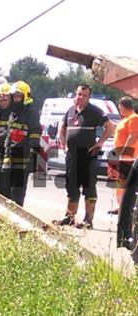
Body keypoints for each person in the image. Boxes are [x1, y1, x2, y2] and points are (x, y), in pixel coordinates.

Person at [53, 84, 116, 229]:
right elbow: (62, 126)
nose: (79, 97)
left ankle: (88, 220)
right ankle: (69, 218)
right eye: (78, 94)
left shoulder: (94, 111)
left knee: (89, 187)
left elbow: (110, 127)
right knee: (72, 186)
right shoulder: (70, 111)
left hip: (88, 155)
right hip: (72, 154)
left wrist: (99, 143)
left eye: (83, 95)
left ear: (89, 97)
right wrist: (63, 141)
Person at [1, 81, 41, 206]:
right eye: (13, 96)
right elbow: (9, 134)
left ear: (25, 97)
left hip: (22, 157)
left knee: (17, 191)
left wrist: (32, 153)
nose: (15, 98)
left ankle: (16, 216)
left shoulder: (31, 113)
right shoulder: (13, 113)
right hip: (9, 157)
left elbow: (35, 132)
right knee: (5, 189)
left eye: (18, 96)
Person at [108, 96, 138, 215]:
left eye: (119, 107)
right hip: (122, 156)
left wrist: (124, 152)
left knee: (124, 182)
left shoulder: (134, 118)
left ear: (122, 106)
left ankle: (124, 207)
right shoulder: (125, 119)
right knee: (119, 182)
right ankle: (119, 206)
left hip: (128, 157)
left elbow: (133, 136)